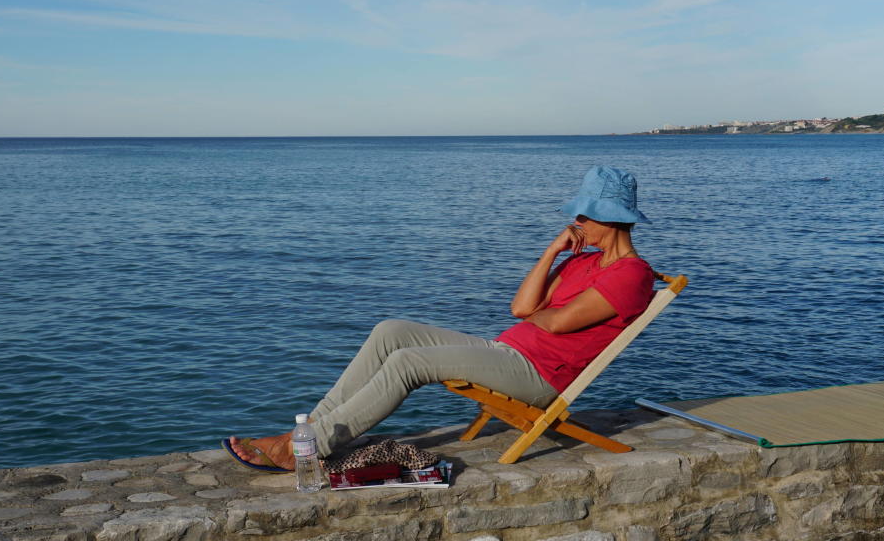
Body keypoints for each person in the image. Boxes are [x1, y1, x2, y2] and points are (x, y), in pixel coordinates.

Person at [224, 164, 656, 471]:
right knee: (391, 331)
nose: (575, 222)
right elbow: (523, 310)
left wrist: (548, 311)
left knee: (409, 362)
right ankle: (308, 430)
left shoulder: (630, 274)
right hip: (509, 351)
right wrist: (552, 251)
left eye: (583, 214)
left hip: (539, 376)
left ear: (611, 218)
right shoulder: (582, 262)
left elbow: (559, 324)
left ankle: (309, 449)